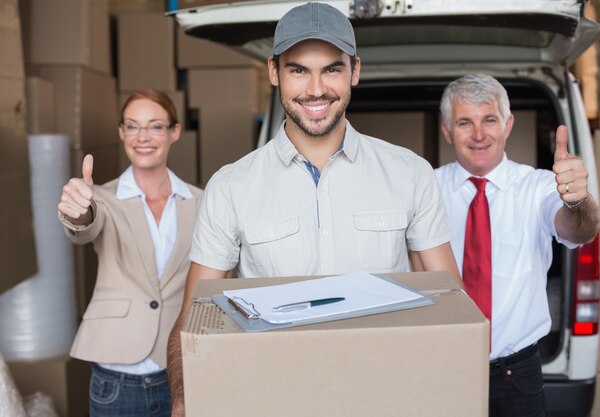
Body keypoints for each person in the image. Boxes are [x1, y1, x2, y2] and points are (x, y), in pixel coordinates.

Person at [167, 2, 462, 415]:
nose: (316, 89)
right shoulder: (231, 187)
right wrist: (183, 400)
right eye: (298, 70)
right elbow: (193, 319)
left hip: (385, 396)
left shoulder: (410, 173)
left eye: (332, 69)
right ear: (274, 72)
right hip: (272, 399)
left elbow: (451, 302)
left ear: (354, 71)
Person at [435, 73, 600, 417]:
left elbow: (579, 230)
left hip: (517, 376)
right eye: (465, 122)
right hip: (441, 367)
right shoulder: (425, 190)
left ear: (508, 125)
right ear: (447, 130)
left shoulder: (539, 187)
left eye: (489, 120)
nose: (479, 134)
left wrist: (577, 201)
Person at [57, 89, 202, 417]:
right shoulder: (101, 199)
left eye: (155, 126)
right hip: (117, 377)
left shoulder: (202, 201)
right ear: (121, 132)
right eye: (133, 126)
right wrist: (77, 209)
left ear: (174, 131)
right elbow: (84, 224)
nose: (143, 137)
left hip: (181, 371)